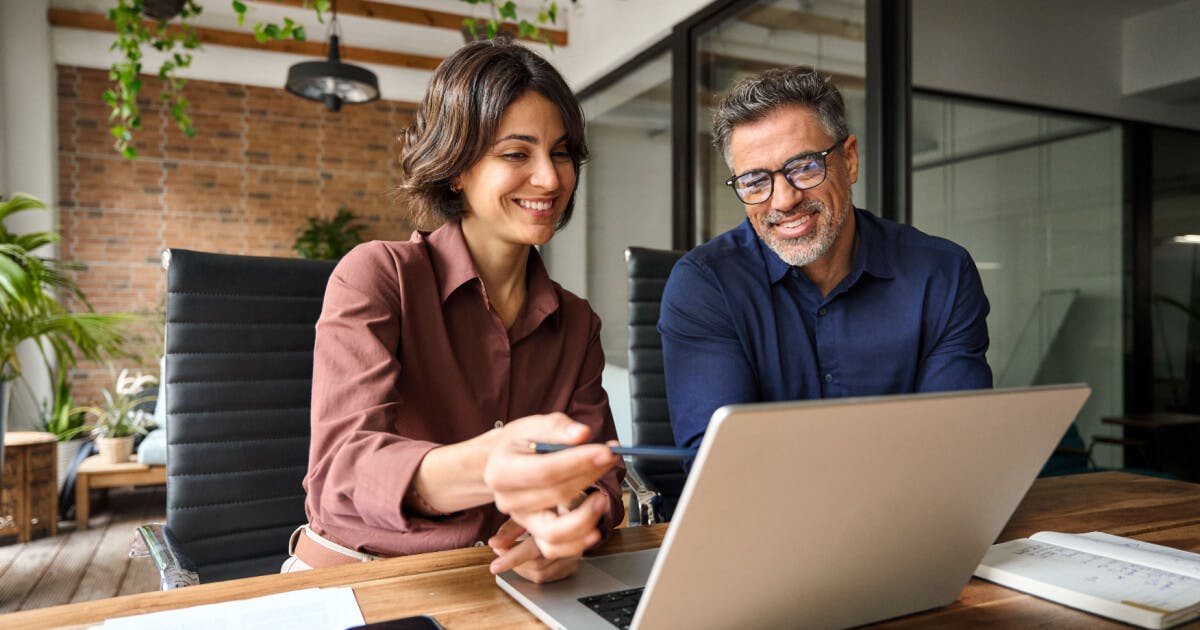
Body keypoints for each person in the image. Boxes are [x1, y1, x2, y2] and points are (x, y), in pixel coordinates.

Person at [286, 39, 625, 584]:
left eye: (561, 153)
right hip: (360, 580)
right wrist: (487, 468)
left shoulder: (577, 322)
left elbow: (601, 474)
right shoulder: (378, 276)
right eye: (517, 154)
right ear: (457, 168)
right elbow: (340, 473)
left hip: (500, 584)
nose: (551, 178)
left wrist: (571, 529)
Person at [659, 65, 992, 456]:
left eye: (803, 167)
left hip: (913, 514)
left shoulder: (942, 275)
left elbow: (955, 447)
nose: (783, 200)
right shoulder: (705, 286)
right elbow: (718, 465)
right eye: (754, 181)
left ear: (849, 160)